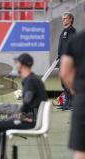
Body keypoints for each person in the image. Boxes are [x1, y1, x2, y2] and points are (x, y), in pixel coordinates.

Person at [0, 54, 47, 159]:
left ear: (22, 65)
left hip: (30, 121)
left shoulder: (30, 81)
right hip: (33, 118)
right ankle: (1, 155)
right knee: (2, 125)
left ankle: (0, 156)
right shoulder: (33, 79)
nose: (16, 64)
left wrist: (20, 115)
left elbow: (27, 100)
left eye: (17, 62)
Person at [60, 14, 85, 159]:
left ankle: (70, 102)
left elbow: (65, 72)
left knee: (81, 149)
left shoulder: (76, 38)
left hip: (83, 97)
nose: (63, 20)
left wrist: (77, 90)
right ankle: (68, 102)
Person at [57, 12, 76, 110]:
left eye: (65, 18)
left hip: (68, 60)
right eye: (62, 18)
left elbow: (71, 46)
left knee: (68, 83)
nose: (63, 20)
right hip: (62, 59)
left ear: (70, 20)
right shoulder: (64, 30)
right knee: (64, 83)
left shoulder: (71, 31)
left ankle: (72, 104)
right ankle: (66, 103)